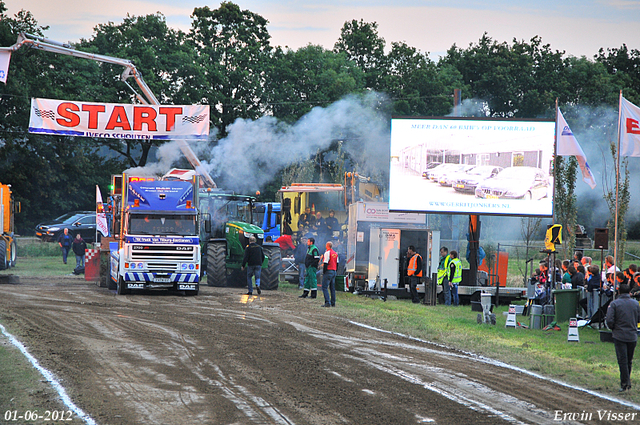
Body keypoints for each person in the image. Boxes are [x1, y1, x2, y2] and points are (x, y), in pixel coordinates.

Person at [606, 283, 640, 392]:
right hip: (632, 334)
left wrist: (614, 328)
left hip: (620, 335)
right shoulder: (635, 303)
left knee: (622, 360)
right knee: (629, 360)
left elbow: (609, 320)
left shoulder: (615, 304)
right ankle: (627, 380)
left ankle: (625, 382)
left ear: (618, 292)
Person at [320, 241, 339, 307]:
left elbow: (325, 263)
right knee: (332, 288)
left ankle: (327, 302)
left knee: (324, 287)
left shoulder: (327, 253)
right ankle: (333, 302)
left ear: (327, 246)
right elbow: (337, 263)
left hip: (328, 271)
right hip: (334, 271)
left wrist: (324, 272)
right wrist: (335, 270)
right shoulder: (335, 253)